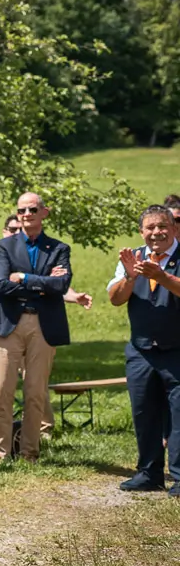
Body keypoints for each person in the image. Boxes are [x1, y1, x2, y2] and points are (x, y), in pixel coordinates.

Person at [0, 191, 71, 462]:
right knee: (2, 392)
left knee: (35, 392)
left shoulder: (59, 249)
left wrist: (22, 278)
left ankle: (29, 453)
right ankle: (1, 453)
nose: (26, 215)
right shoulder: (4, 246)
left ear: (44, 213)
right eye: (22, 211)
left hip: (43, 326)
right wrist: (42, 285)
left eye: (32, 210)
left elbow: (61, 286)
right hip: (9, 324)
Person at [110, 205, 180, 494]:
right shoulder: (134, 258)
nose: (156, 233)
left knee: (179, 415)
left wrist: (162, 276)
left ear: (174, 229)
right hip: (140, 351)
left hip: (177, 350)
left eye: (162, 226)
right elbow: (115, 299)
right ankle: (149, 474)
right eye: (149, 228)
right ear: (141, 232)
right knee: (144, 412)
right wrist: (130, 276)